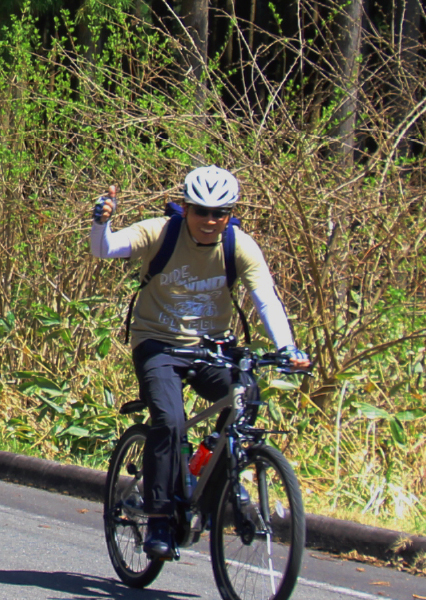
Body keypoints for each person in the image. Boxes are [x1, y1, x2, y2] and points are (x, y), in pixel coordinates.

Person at [88, 165, 311, 560]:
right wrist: (101, 224)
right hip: (157, 344)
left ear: (230, 214)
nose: (210, 221)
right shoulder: (160, 232)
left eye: (219, 213)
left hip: (213, 348)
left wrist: (288, 347)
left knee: (247, 395)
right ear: (185, 209)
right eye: (201, 211)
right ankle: (158, 516)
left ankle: (206, 479)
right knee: (170, 421)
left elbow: (265, 298)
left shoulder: (239, 246)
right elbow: (103, 249)